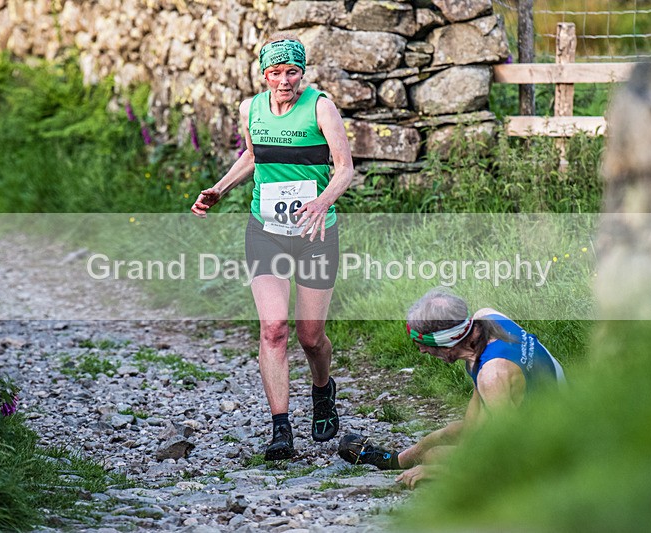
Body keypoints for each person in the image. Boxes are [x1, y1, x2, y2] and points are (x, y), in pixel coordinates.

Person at [191, 33, 354, 460]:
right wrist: (220, 189)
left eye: (292, 72)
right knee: (273, 328)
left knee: (310, 335)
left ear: (303, 72)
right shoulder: (252, 108)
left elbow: (344, 168)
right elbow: (252, 155)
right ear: (265, 75)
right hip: (266, 230)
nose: (285, 81)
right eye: (276, 73)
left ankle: (323, 390)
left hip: (316, 233)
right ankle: (281, 427)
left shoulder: (320, 106)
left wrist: (322, 202)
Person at [338, 288, 566, 488]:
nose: (422, 352)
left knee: (435, 457)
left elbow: (511, 446)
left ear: (445, 342)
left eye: (425, 345)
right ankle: (393, 460)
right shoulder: (487, 319)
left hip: (546, 444)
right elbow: (478, 404)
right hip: (544, 406)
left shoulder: (492, 375)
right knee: (449, 433)